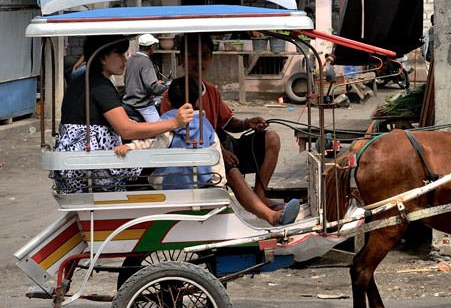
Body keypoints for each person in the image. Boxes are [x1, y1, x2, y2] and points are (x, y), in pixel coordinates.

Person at [116, 77, 299, 227]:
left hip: (167, 185)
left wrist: (130, 147)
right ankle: (269, 214)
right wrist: (219, 186)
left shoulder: (166, 122)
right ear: (197, 101)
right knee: (225, 169)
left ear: (169, 101)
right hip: (201, 183)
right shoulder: (205, 125)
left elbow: (150, 144)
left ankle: (262, 202)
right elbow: (216, 155)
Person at [160, 32, 285, 210]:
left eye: (205, 56)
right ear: (182, 59)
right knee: (229, 169)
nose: (200, 62)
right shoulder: (172, 96)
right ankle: (265, 212)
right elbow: (174, 137)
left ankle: (260, 195)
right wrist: (218, 150)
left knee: (271, 138)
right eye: (193, 56)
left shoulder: (211, 90)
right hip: (201, 155)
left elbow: (227, 123)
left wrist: (248, 123)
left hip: (223, 145)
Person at [54, 35, 194, 194]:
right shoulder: (99, 85)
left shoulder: (84, 80)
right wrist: (174, 123)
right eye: (119, 55)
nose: (125, 60)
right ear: (102, 58)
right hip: (89, 170)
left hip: (76, 165)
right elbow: (125, 129)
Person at [123, 34, 167, 121]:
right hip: (142, 104)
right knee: (160, 131)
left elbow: (133, 80)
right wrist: (166, 88)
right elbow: (152, 87)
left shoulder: (131, 59)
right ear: (152, 47)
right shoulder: (146, 62)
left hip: (128, 102)